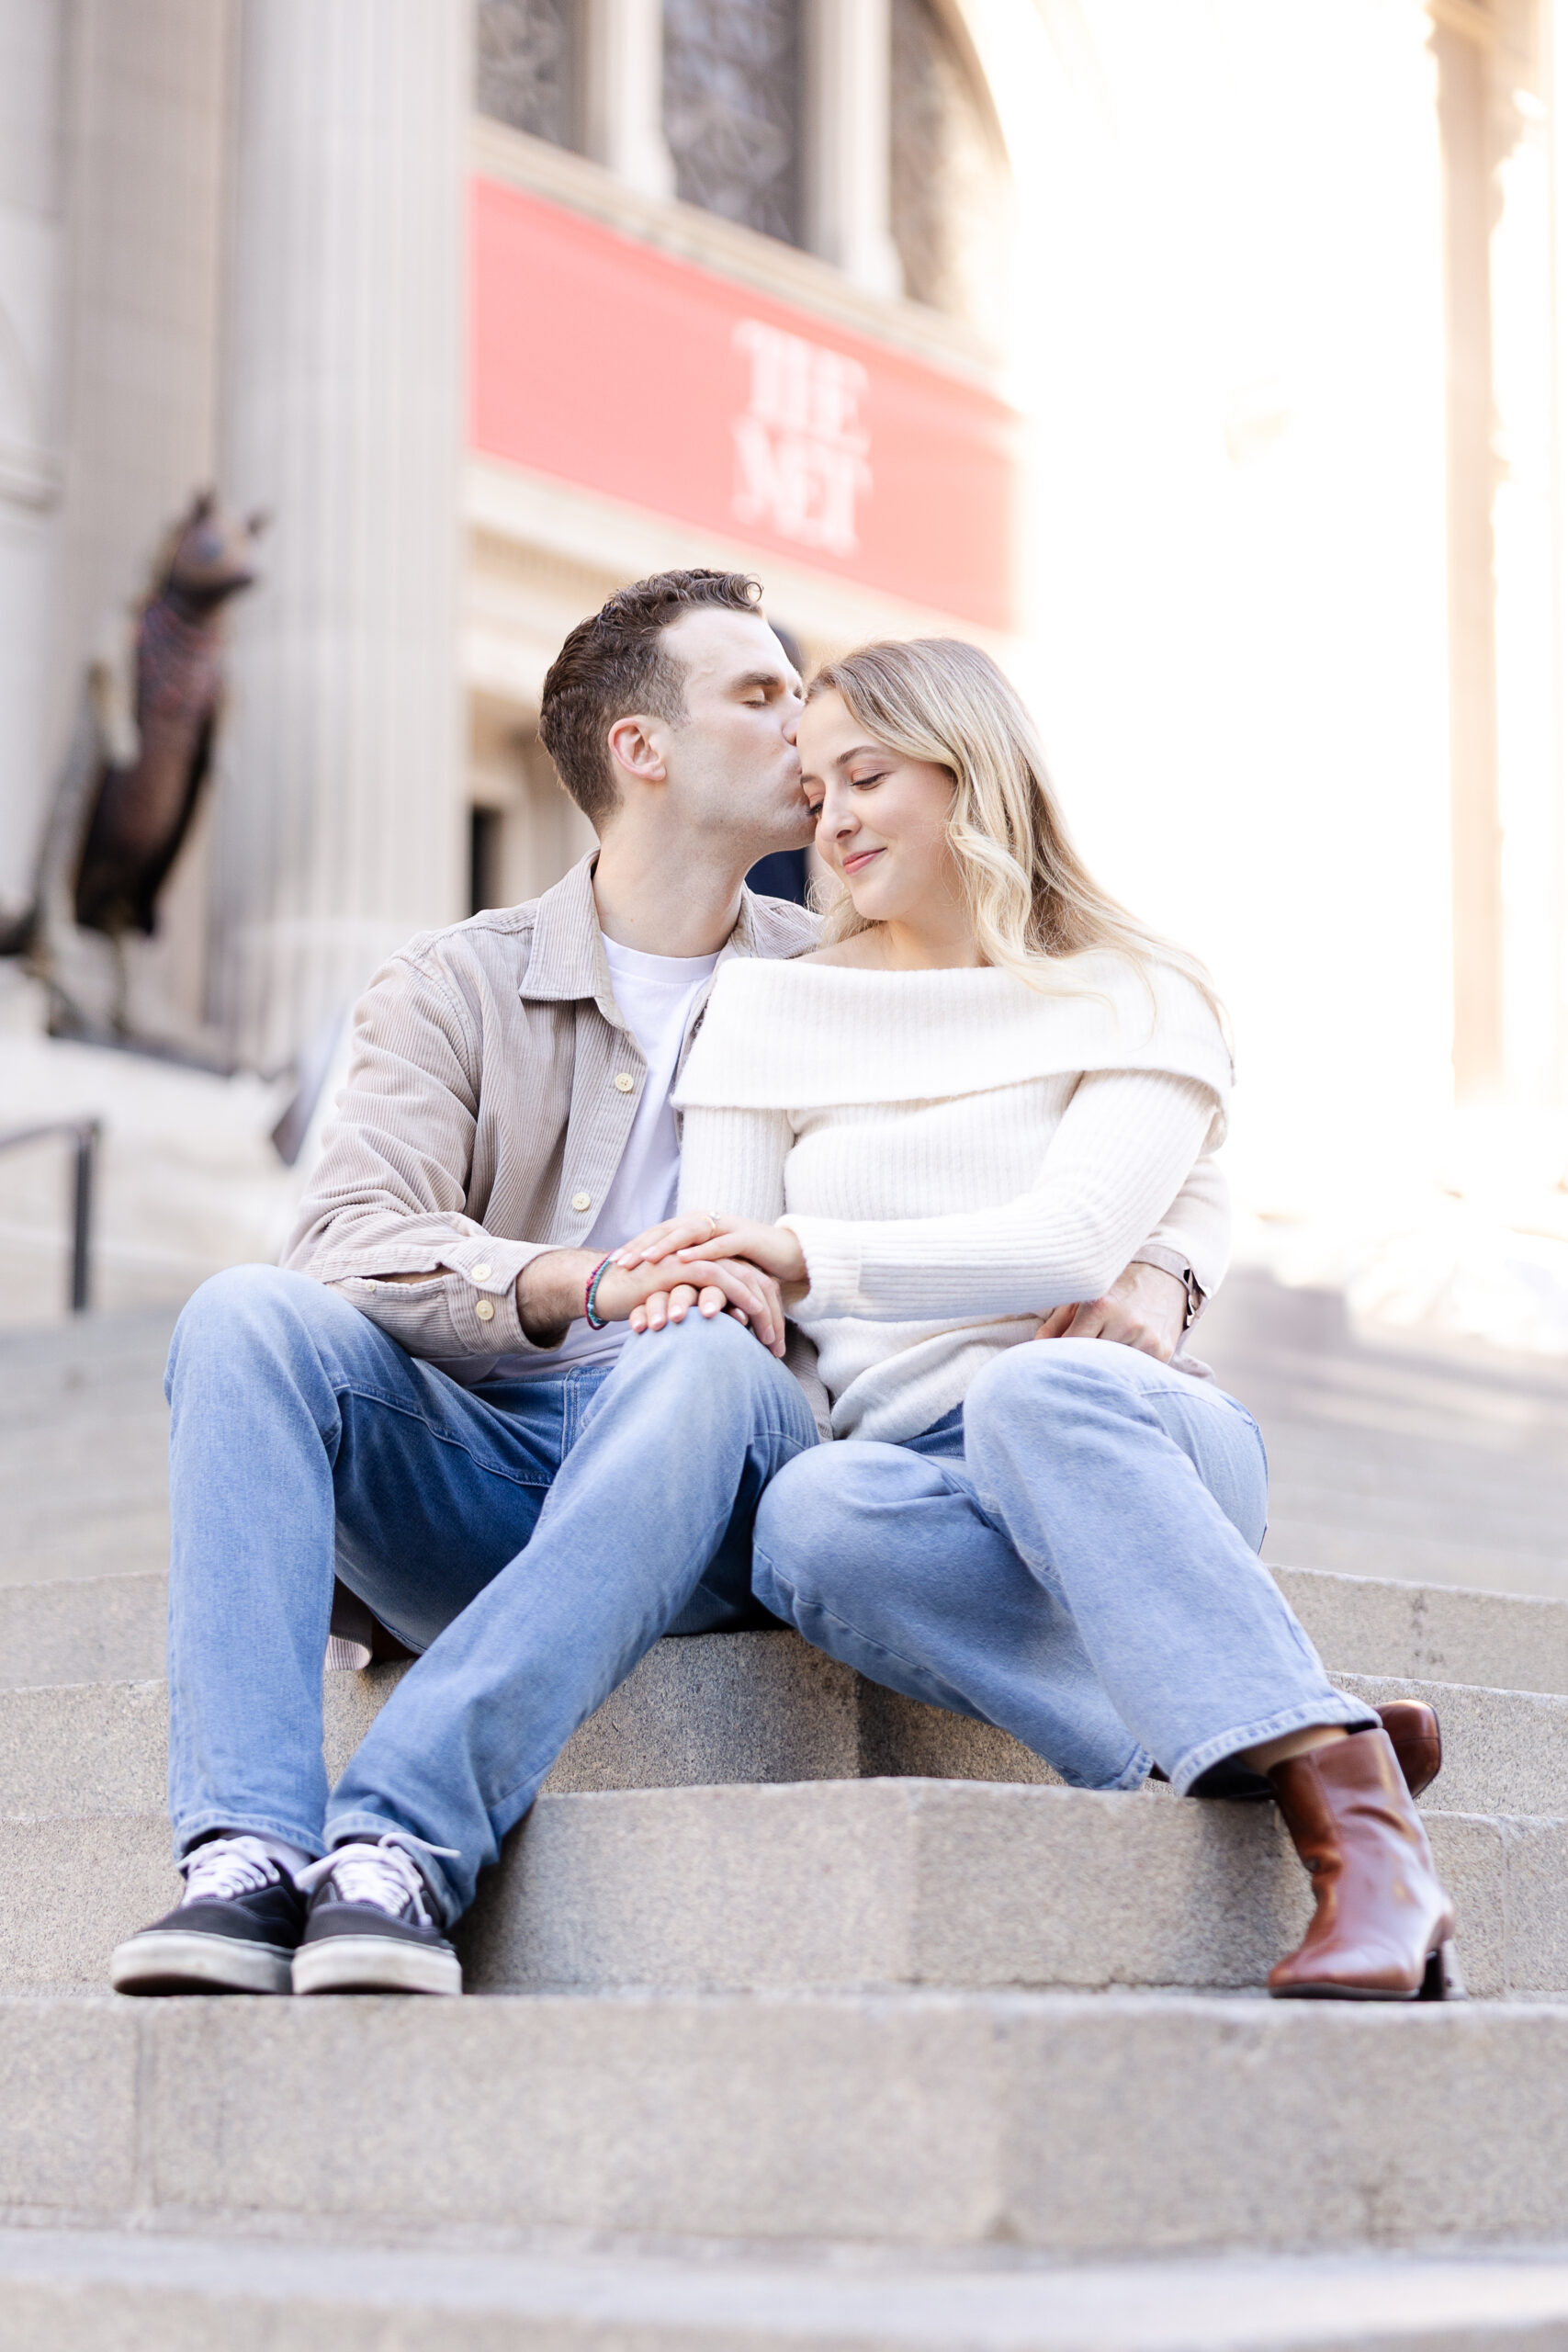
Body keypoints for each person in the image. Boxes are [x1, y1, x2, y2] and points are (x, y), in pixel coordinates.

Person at [110, 572, 1213, 2000]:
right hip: (485, 1468)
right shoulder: (452, 985)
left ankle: (402, 1843)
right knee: (243, 1315)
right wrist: (587, 1282)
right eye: (760, 697)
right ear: (644, 752)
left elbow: (1121, 1065)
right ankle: (246, 1859)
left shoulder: (858, 968)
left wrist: (1164, 1261)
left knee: (701, 1356)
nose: (804, 731)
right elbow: (344, 1241)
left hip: (725, 1480)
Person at [615, 636, 1456, 2002]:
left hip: (1119, 1439)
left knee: (1025, 1394)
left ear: (973, 775)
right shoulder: (768, 1009)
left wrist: (816, 1248)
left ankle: (1371, 1862)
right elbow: (731, 1278)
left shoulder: (1136, 984)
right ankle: (1293, 1738)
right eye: (816, 789)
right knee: (808, 1522)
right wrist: (746, 1274)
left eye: (867, 777)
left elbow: (1077, 1236)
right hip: (909, 1483)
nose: (831, 821)